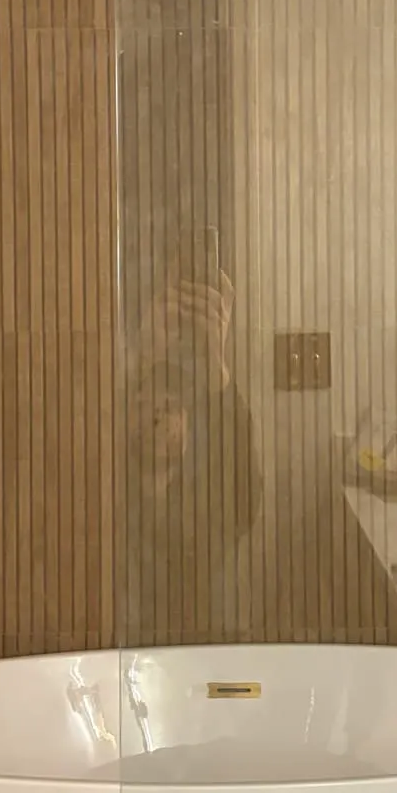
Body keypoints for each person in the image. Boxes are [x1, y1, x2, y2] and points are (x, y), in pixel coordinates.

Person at [124, 265, 261, 643]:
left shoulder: (207, 516)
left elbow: (245, 502)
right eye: (145, 401)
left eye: (169, 405)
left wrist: (218, 363)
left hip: (199, 639)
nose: (156, 415)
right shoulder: (110, 499)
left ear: (188, 428)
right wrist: (143, 353)